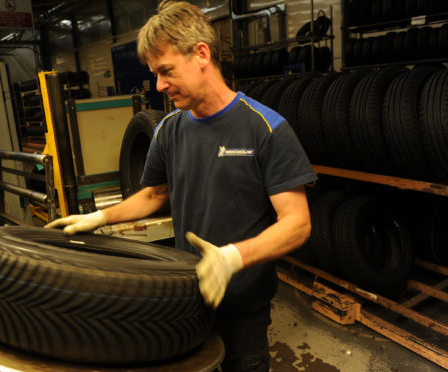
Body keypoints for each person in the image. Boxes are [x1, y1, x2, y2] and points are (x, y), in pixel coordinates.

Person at [45, 1, 317, 371]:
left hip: (243, 304)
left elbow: (297, 223)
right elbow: (156, 194)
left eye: (166, 71)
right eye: (155, 73)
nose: (159, 84)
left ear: (201, 54)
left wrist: (231, 258)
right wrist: (100, 217)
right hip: (186, 296)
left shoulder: (265, 129)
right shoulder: (169, 130)